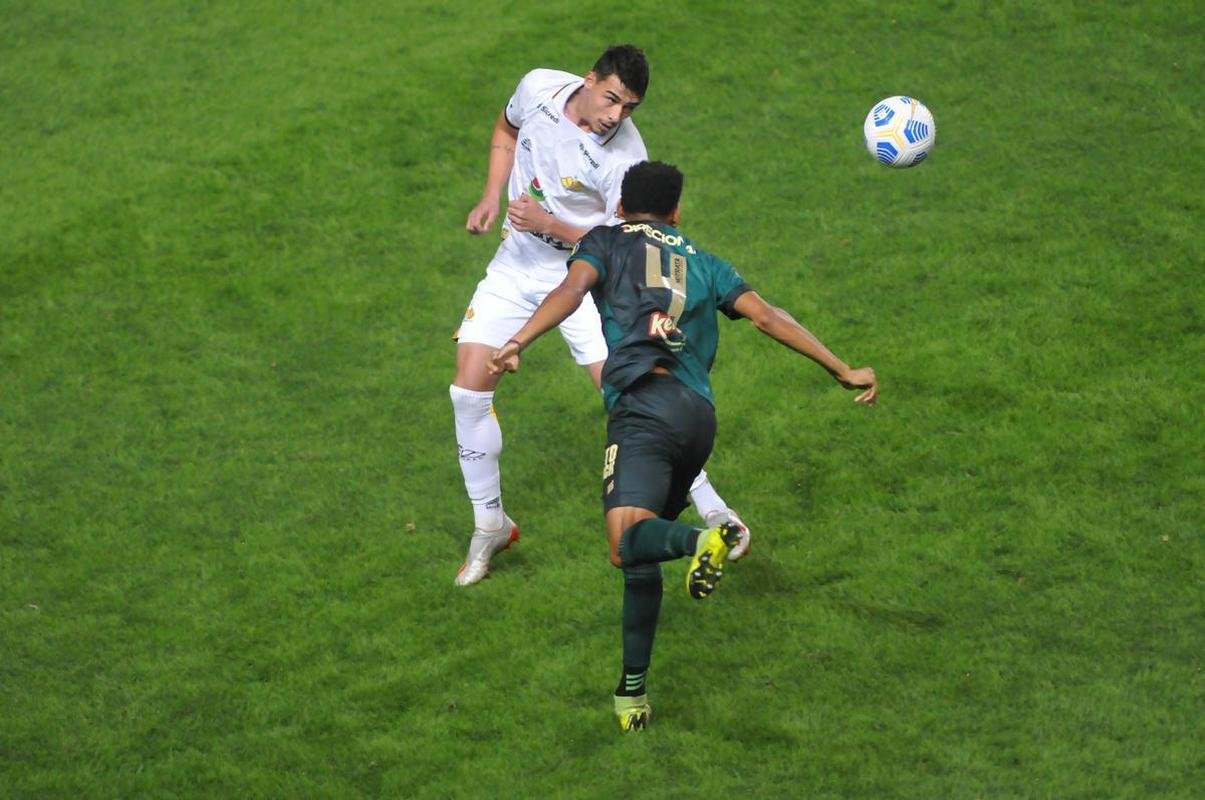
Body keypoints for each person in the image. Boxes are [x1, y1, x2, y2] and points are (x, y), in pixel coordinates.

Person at [487, 160, 878, 730]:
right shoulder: (704, 261)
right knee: (643, 551)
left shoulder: (605, 240)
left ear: (621, 207)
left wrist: (518, 338)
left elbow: (571, 289)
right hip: (698, 419)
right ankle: (632, 695)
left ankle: (704, 539)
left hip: (643, 408)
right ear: (676, 212)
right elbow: (768, 317)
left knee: (626, 545)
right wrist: (841, 368)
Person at [451, 45, 748, 587]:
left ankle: (714, 511)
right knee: (468, 392)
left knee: (638, 397)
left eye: (629, 108)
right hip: (516, 267)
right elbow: (506, 129)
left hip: (587, 282)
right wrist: (492, 194)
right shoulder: (539, 86)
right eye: (611, 99)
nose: (616, 115)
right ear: (589, 80)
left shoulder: (624, 159)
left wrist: (547, 220)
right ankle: (490, 523)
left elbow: (623, 245)